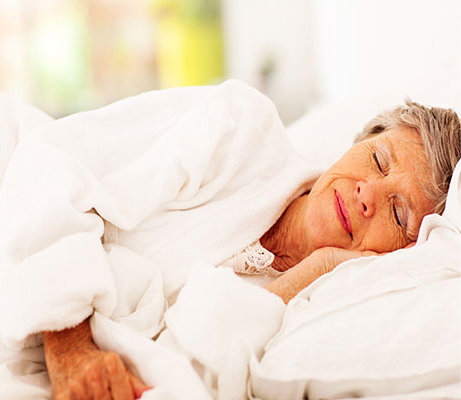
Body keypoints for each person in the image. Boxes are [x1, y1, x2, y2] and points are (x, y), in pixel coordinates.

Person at [0, 81, 459, 399]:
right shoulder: (241, 130)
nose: (368, 194)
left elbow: (185, 372)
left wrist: (313, 270)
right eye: (378, 160)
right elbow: (55, 164)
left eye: (398, 213)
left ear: (406, 251)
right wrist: (70, 346)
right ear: (356, 142)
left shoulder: (322, 304)